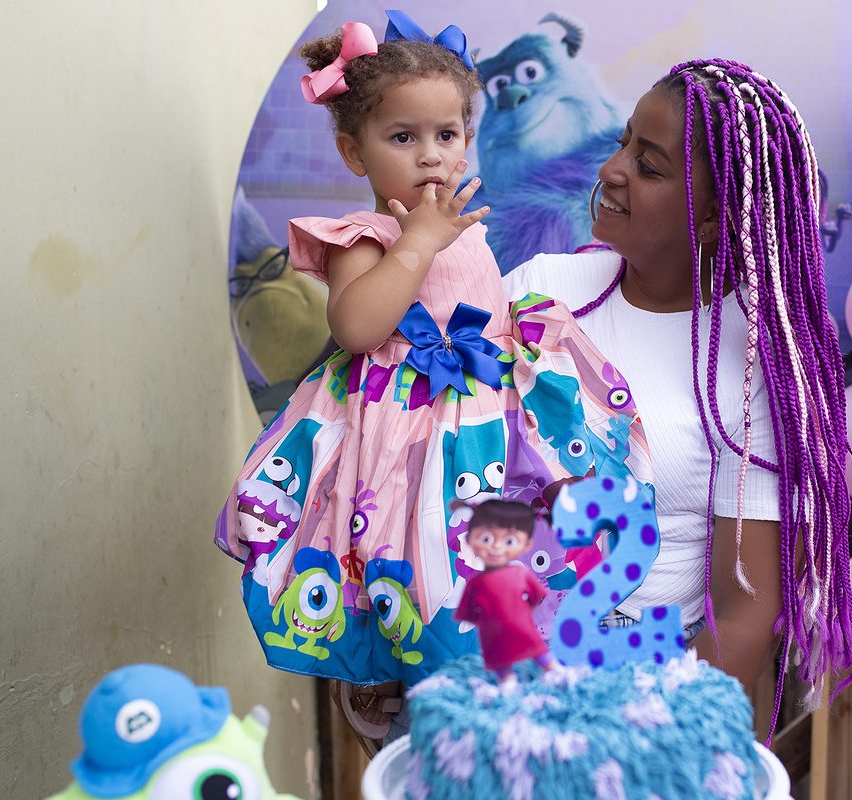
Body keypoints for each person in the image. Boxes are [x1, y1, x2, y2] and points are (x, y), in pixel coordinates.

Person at [213, 11, 652, 745]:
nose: (429, 157)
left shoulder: (468, 220)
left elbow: (482, 303)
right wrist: (414, 242)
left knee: (503, 534)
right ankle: (401, 678)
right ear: (354, 152)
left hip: (484, 421)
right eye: (402, 138)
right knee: (407, 554)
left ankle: (524, 642)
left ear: (468, 140)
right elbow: (357, 327)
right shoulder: (366, 237)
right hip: (401, 435)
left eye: (446, 136)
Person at [503, 59, 852, 734]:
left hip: (641, 696)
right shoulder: (539, 288)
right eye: (622, 142)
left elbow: (744, 612)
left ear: (719, 217)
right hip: (493, 669)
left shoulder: (755, 360)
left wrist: (641, 739)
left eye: (650, 165)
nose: (612, 171)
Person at [453, 498, 560, 684]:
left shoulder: (520, 573)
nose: (496, 546)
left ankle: (554, 673)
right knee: (502, 665)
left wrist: (520, 613)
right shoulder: (475, 584)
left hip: (522, 629)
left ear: (526, 545)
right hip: (494, 636)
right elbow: (468, 613)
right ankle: (508, 684)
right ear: (469, 540)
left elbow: (538, 596)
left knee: (541, 655)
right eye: (486, 538)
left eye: (509, 540)